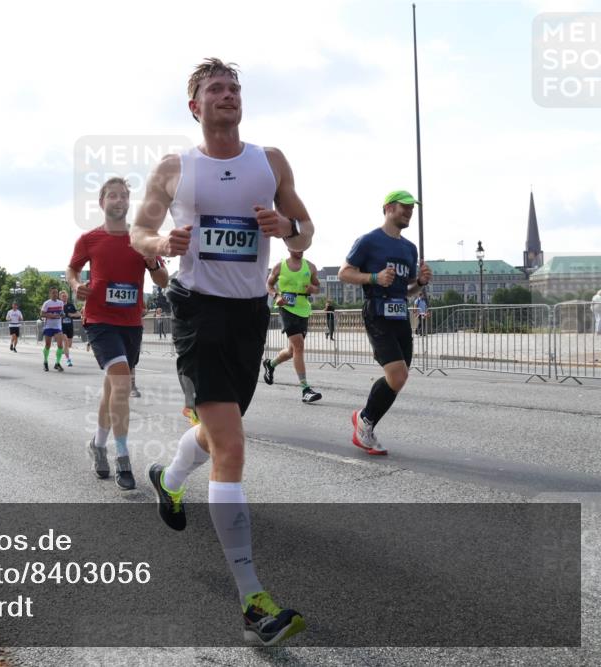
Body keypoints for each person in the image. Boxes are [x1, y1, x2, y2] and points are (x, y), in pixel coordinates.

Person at [130, 58, 312, 646]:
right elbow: (138, 231)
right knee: (231, 445)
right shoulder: (176, 168)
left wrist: (286, 228)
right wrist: (162, 240)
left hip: (249, 316)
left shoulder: (270, 161)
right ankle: (253, 603)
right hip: (197, 312)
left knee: (215, 435)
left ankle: (169, 478)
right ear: (196, 106)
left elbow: (306, 228)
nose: (229, 94)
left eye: (234, 87)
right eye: (216, 88)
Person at [70, 176, 169, 490]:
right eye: (112, 195)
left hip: (131, 323)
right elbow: (72, 269)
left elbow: (164, 280)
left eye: (124, 195)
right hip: (99, 320)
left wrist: (152, 264)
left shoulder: (141, 238)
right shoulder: (89, 239)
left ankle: (97, 444)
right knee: (122, 381)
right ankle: (122, 457)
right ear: (102, 202)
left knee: (113, 388)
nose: (119, 200)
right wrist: (76, 285)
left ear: (129, 202)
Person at [338, 189, 431, 456]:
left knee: (399, 378)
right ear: (389, 208)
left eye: (412, 208)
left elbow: (407, 290)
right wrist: (374, 278)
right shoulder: (369, 241)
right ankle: (365, 425)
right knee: (397, 375)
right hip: (377, 313)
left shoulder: (409, 248)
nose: (409, 212)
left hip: (400, 315)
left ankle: (364, 420)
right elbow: (344, 272)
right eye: (405, 207)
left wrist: (420, 282)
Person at [262, 250, 323, 403]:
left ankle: (270, 364)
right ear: (289, 247)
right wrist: (276, 296)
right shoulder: (279, 266)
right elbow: (269, 284)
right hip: (286, 308)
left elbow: (318, 287)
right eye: (296, 247)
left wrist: (313, 289)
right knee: (299, 346)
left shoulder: (310, 267)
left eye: (302, 247)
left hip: (303, 309)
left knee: (292, 351)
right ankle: (305, 389)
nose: (299, 250)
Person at [40, 287, 66, 372]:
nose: (55, 294)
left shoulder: (61, 303)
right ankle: (45, 362)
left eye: (56, 293)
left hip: (58, 327)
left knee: (60, 346)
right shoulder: (47, 303)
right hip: (48, 326)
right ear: (50, 294)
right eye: (53, 293)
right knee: (48, 345)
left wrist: (63, 315)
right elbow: (42, 314)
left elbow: (62, 312)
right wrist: (51, 316)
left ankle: (57, 363)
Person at [59, 290, 80, 367]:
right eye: (63, 296)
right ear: (60, 297)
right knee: (66, 341)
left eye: (65, 296)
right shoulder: (59, 306)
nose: (64, 297)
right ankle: (68, 360)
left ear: (67, 296)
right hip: (61, 327)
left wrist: (72, 314)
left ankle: (64, 350)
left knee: (69, 345)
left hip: (70, 327)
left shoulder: (71, 305)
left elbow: (78, 314)